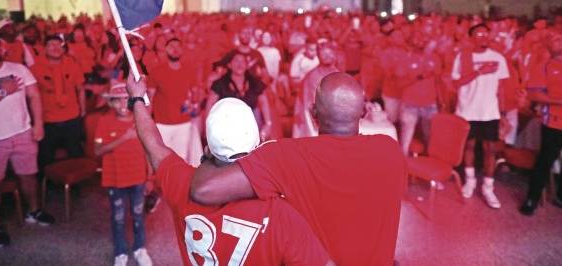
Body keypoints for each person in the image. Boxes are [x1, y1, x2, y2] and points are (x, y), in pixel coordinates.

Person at [189, 72, 406, 265]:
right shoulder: (389, 150)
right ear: (363, 112)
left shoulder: (286, 155)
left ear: (313, 112)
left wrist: (209, 155)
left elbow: (204, 190)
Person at [125, 75, 334, 265]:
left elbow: (153, 144)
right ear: (259, 141)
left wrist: (137, 99)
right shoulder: (281, 213)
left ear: (208, 146)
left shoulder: (181, 185)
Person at [0, 31, 55, 247]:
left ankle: (34, 211)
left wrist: (38, 124)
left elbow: (34, 96)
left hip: (22, 133)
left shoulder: (18, 68)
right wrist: (1, 92)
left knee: (29, 176)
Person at [94, 82, 153, 266]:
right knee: (118, 218)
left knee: (138, 215)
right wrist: (124, 138)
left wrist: (150, 177)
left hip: (138, 178)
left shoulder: (141, 120)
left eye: (126, 100)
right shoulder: (104, 121)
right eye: (117, 101)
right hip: (115, 179)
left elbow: (148, 151)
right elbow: (97, 150)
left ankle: (139, 248)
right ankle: (120, 251)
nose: (122, 105)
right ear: (111, 103)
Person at [451, 23, 509, 209]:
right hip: (467, 109)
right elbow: (457, 83)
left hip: (489, 111)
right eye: (478, 34)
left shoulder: (498, 58)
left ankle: (488, 187)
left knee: (490, 149)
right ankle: (470, 181)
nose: (483, 37)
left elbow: (501, 89)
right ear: (471, 37)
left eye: (485, 34)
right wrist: (479, 71)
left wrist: (503, 113)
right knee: (468, 145)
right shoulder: (463, 56)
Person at [519, 33, 562, 215]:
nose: (560, 42)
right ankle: (532, 199)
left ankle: (560, 195)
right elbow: (534, 95)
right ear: (548, 46)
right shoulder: (543, 67)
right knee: (545, 161)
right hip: (553, 122)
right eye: (555, 40)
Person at [31, 35, 86, 171]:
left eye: (59, 45)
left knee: (76, 153)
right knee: (46, 157)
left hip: (72, 117)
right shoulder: (35, 68)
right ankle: (48, 187)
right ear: (44, 49)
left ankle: (75, 186)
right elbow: (32, 96)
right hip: (48, 120)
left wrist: (82, 111)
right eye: (51, 45)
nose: (55, 48)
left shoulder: (72, 64)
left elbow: (80, 89)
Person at [147, 37, 202, 166]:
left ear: (182, 50)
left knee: (181, 159)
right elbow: (150, 98)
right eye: (172, 46)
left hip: (183, 123)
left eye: (178, 47)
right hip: (162, 124)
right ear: (166, 50)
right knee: (162, 160)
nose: (175, 50)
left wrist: (195, 110)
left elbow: (195, 96)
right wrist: (148, 122)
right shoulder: (156, 72)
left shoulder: (189, 70)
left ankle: (179, 186)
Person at [206, 51, 273, 141]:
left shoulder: (255, 83)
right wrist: (210, 129)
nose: (240, 64)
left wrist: (268, 125)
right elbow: (210, 105)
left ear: (246, 65)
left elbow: (264, 104)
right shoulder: (220, 84)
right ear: (229, 65)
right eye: (236, 61)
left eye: (242, 61)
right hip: (227, 127)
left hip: (252, 127)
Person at [292, 42, 338, 138]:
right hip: (313, 119)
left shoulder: (337, 72)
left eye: (330, 54)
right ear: (318, 55)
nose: (327, 57)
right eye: (324, 54)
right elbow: (311, 104)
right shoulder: (312, 76)